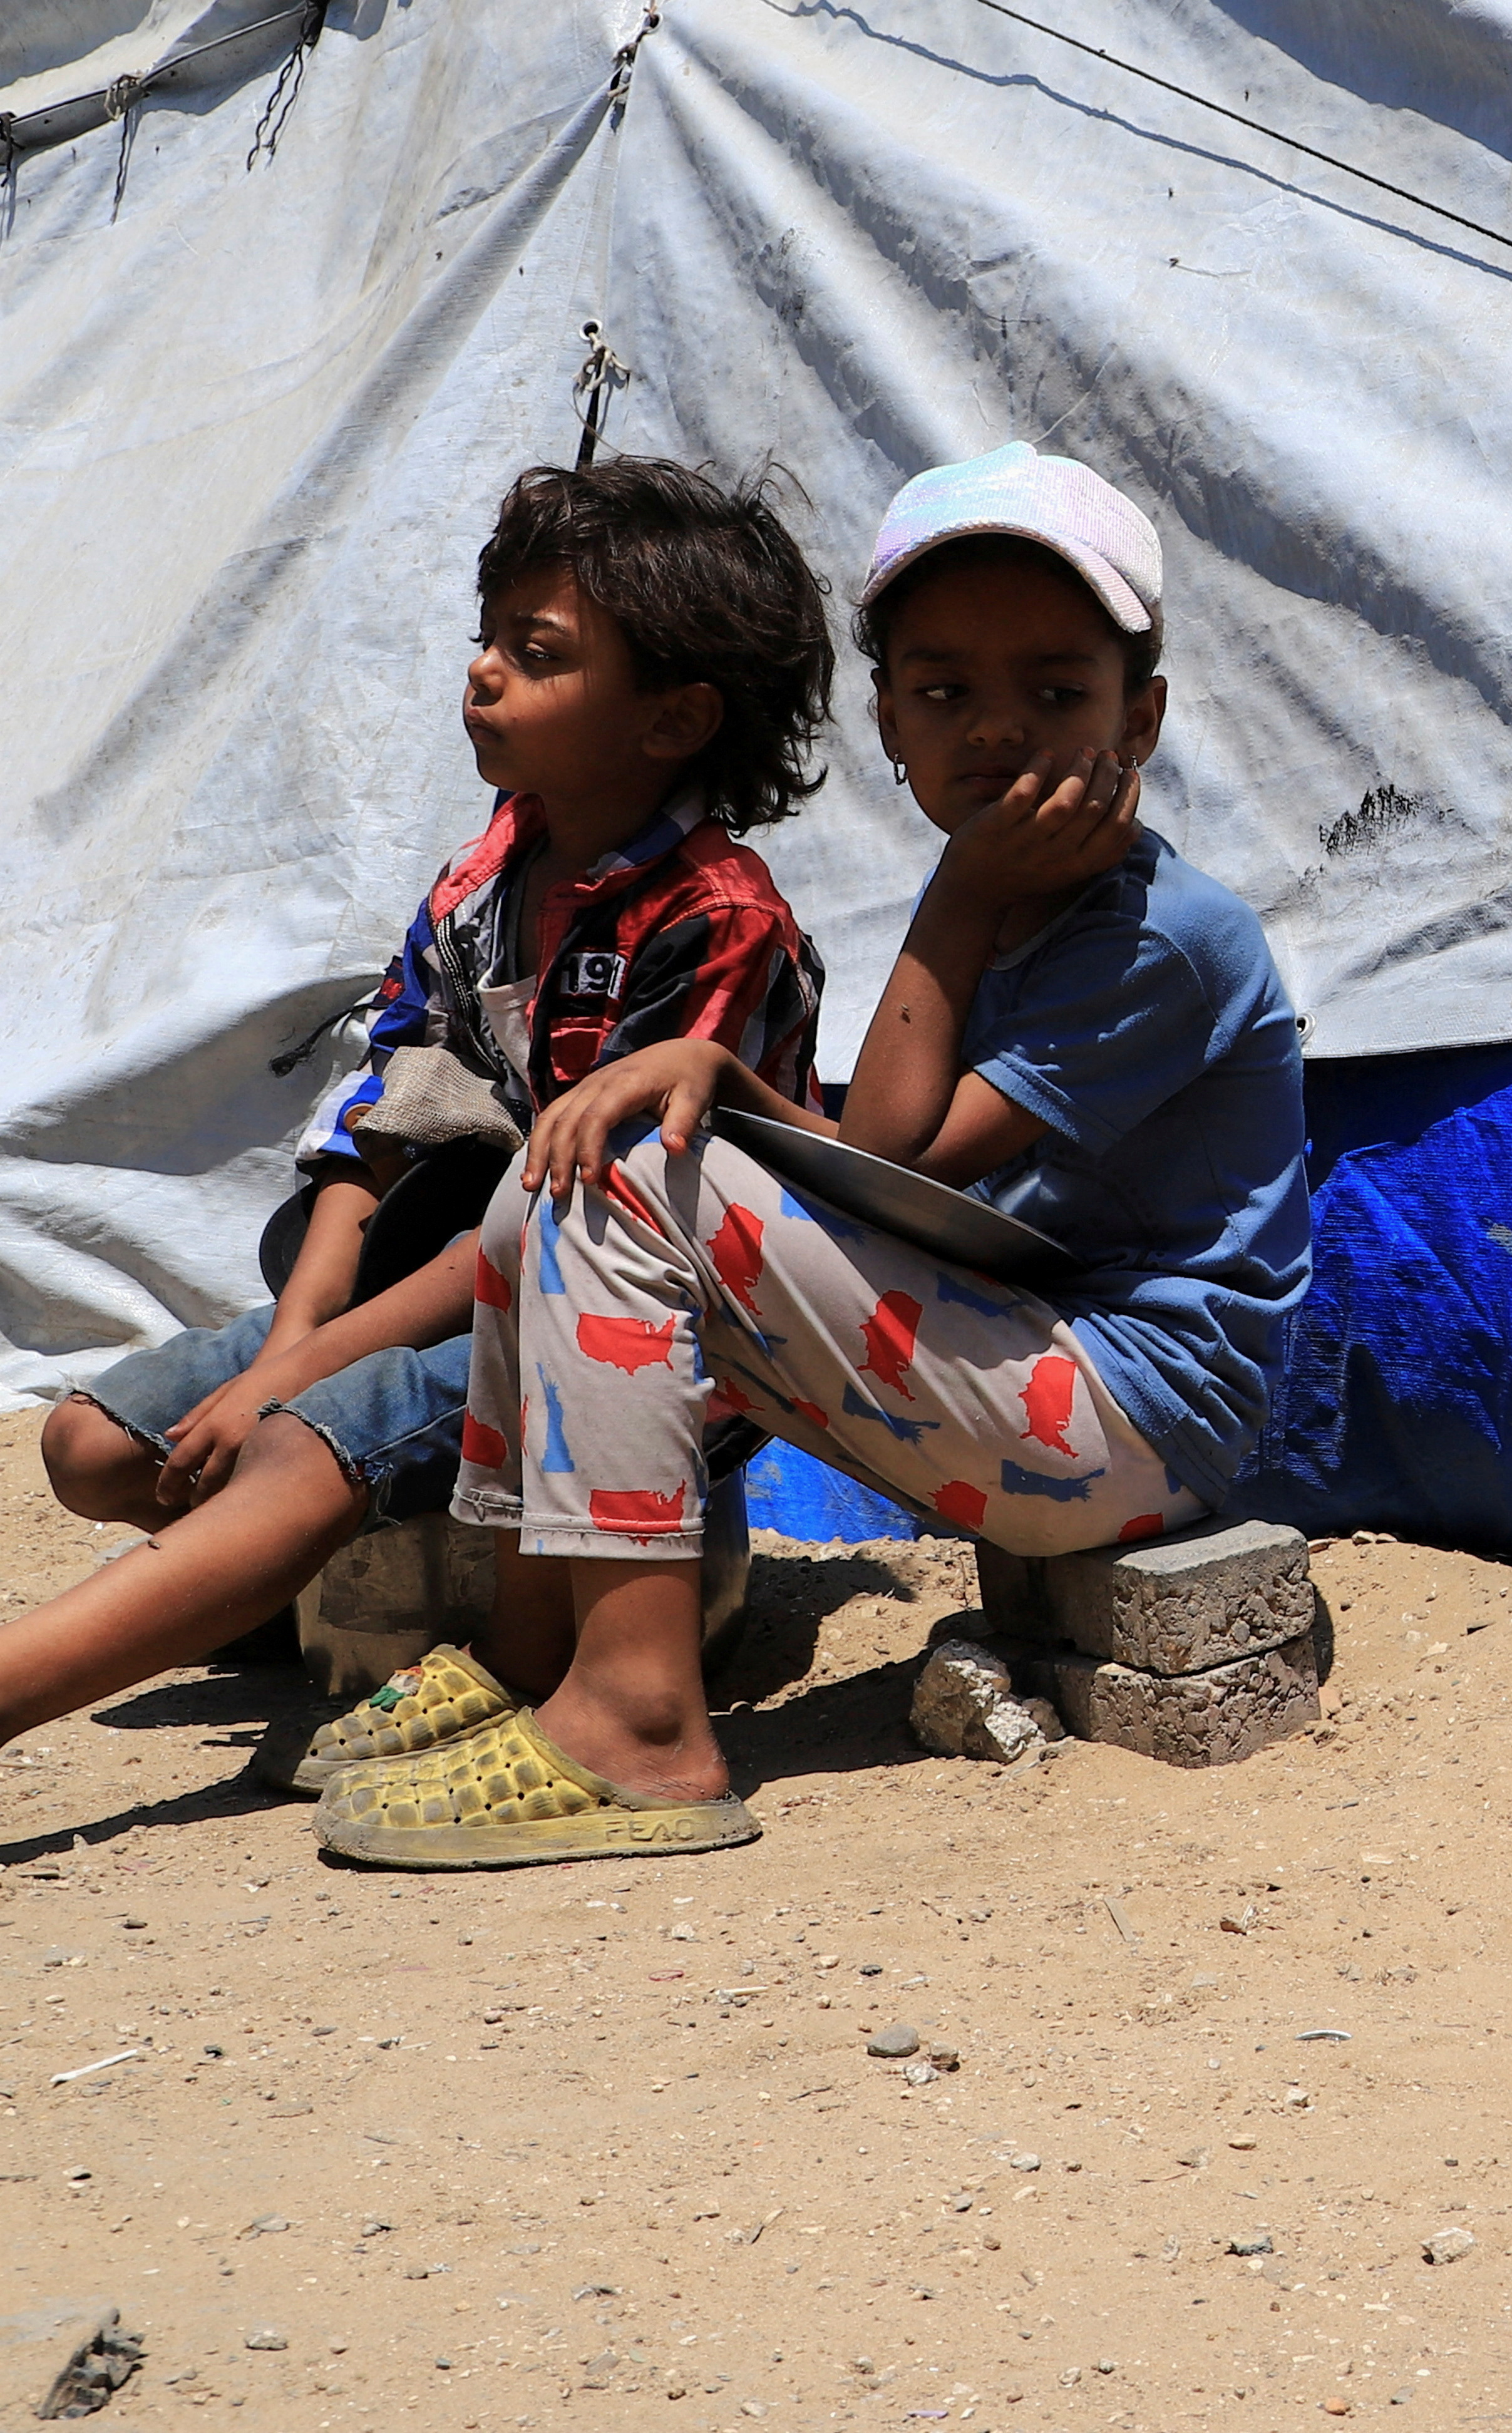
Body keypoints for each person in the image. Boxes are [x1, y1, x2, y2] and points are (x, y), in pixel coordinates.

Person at [307, 440, 1312, 1869]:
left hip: (1135, 1421)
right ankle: (530, 1653)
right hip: (1013, 1361)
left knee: (631, 1173)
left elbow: (903, 1154)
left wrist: (954, 899)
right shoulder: (1007, 902)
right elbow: (872, 1178)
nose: (997, 731)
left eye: (1056, 690)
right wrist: (724, 1072)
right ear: (890, 724)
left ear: (1138, 720)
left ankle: (640, 1726)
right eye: (945, 692)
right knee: (549, 1182)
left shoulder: (1161, 937)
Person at [0, 458, 832, 1766]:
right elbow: (380, 1113)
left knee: (289, 1450)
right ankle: (282, 1563)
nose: (483, 672)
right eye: (486, 638)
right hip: (447, 1289)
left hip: (611, 1355)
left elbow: (552, 1223)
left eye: (536, 652)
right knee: (92, 1445)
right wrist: (295, 1332)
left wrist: (290, 1385)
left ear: (672, 722)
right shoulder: (487, 873)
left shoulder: (716, 923)